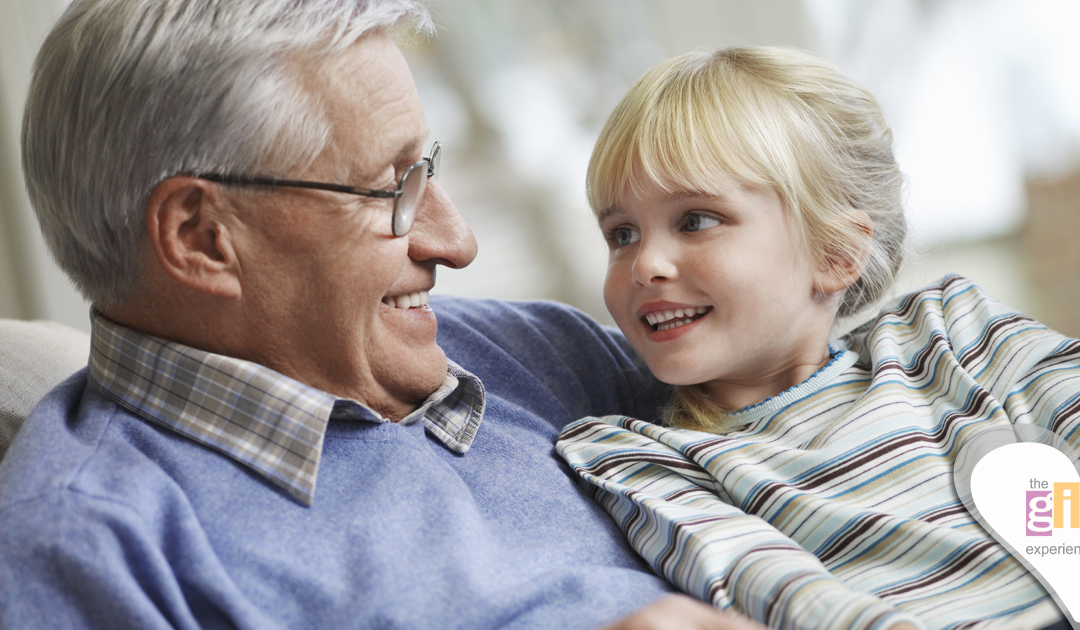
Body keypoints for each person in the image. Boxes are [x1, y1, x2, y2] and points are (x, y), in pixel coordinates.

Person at [0, 1, 767, 628]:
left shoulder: (537, 354)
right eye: (391, 187)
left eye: (425, 170)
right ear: (202, 238)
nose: (455, 241)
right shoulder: (85, 551)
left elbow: (829, 430)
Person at [554, 46, 1080, 630]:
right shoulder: (642, 461)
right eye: (621, 234)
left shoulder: (952, 331)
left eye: (695, 220)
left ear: (835, 254)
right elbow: (791, 600)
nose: (645, 264)